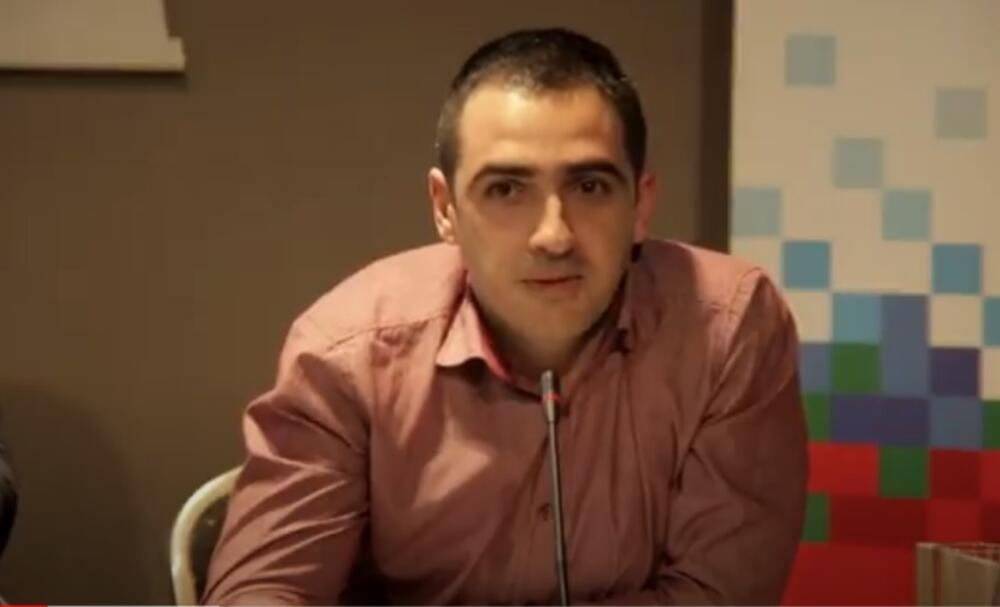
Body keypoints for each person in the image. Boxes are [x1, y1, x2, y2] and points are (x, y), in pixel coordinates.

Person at [203, 28, 807, 606]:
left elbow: (722, 596)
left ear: (640, 206)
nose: (553, 236)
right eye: (506, 190)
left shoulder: (729, 328)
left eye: (590, 187)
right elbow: (262, 591)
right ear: (445, 209)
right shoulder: (346, 351)